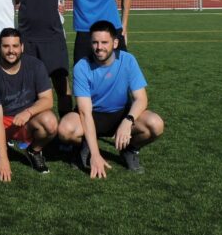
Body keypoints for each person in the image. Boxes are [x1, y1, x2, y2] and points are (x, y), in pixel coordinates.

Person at [57, 21, 165, 177]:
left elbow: (141, 99)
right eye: (95, 42)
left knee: (155, 124)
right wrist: (95, 154)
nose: (99, 47)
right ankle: (84, 146)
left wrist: (128, 121)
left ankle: (129, 150)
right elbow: (85, 112)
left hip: (121, 114)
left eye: (104, 42)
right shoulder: (82, 66)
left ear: (115, 43)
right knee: (65, 130)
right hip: (92, 115)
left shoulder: (128, 60)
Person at [0, 28, 58, 181]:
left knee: (51, 122)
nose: (11, 51)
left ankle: (34, 151)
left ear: (22, 47)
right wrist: (4, 158)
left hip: (27, 120)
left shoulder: (35, 65)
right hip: (1, 119)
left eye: (15, 46)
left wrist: (28, 112)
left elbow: (48, 100)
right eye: (6, 46)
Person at [13, 0, 72, 115]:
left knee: (61, 85)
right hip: (27, 39)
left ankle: (66, 131)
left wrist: (60, 4)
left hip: (53, 37)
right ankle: (30, 132)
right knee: (29, 89)